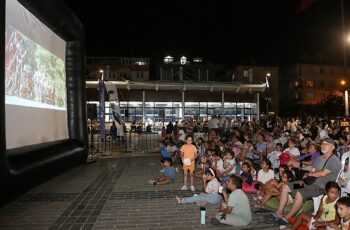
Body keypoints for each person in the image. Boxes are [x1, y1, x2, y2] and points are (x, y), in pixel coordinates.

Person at [265, 137, 342, 227]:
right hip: (310, 183)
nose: (323, 146)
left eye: (326, 144)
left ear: (332, 147)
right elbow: (314, 170)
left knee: (299, 193)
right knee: (286, 186)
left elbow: (322, 173)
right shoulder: (320, 158)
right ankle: (279, 213)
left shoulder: (334, 160)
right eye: (323, 144)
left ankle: (286, 218)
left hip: (321, 187)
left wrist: (309, 173)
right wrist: (307, 175)